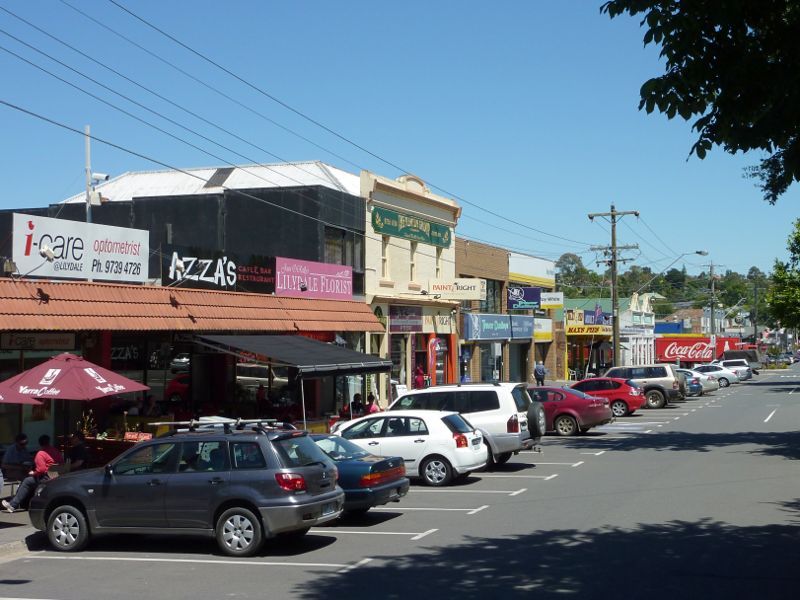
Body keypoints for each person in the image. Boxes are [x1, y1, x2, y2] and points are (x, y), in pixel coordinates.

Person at [3, 434, 64, 513]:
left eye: (25, 443)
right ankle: (21, 502)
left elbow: (41, 469)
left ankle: (13, 504)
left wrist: (34, 473)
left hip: (46, 478)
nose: (24, 446)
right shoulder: (56, 451)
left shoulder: (41, 453)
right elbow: (62, 464)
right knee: (28, 479)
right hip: (56, 477)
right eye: (22, 444)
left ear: (40, 444)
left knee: (27, 480)